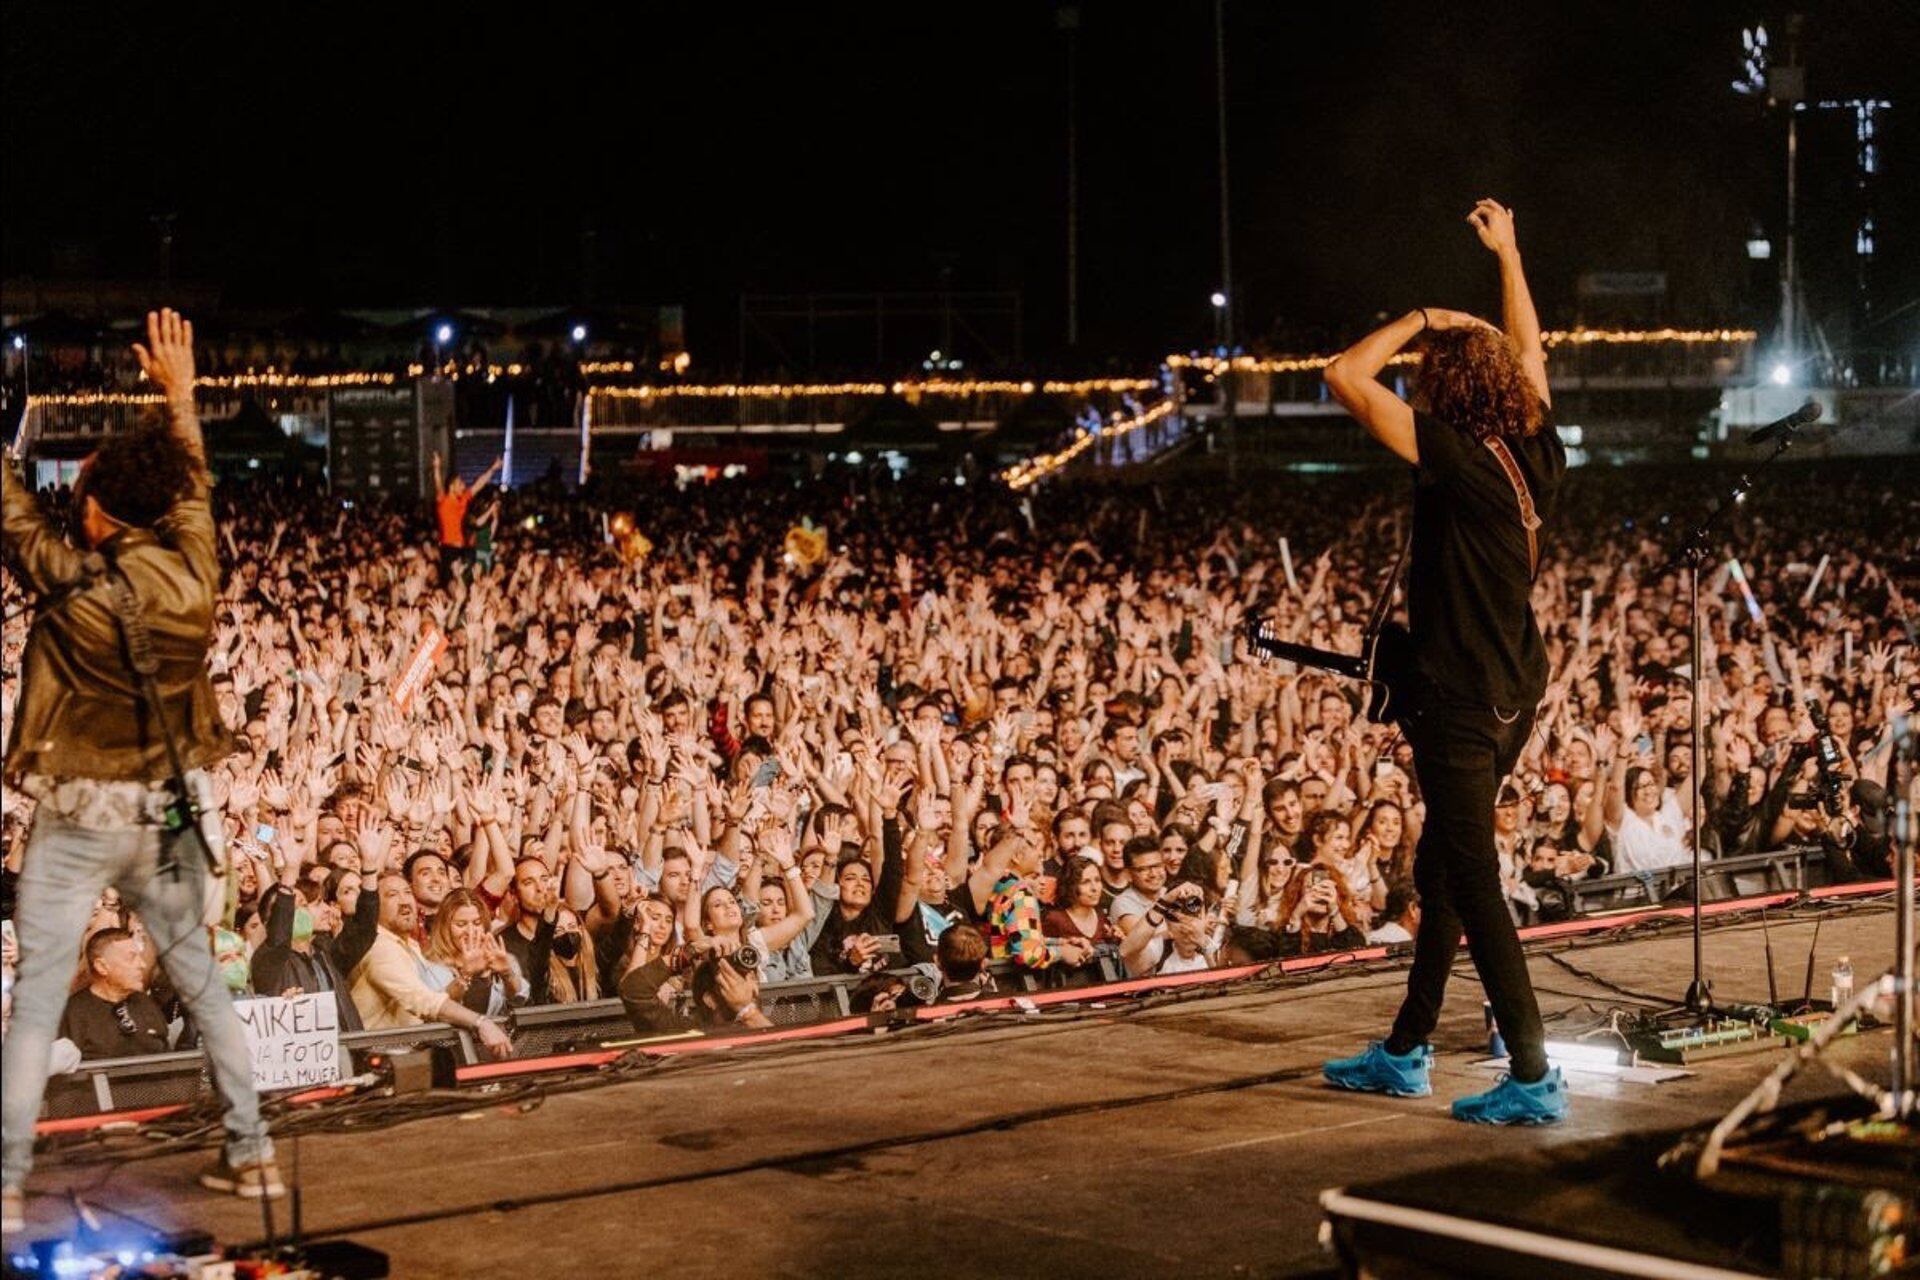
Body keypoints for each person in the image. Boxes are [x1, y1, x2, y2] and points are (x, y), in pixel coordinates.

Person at [1, 310, 282, 1225]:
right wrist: (181, 395)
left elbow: (8, 510)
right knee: (198, 975)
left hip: (82, 812)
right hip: (162, 812)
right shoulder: (195, 569)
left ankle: (3, 1186)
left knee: (40, 992)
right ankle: (253, 1156)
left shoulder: (72, 579)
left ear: (94, 507)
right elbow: (194, 485)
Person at [1319, 202, 1569, 1124]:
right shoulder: (1535, 451)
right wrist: (1511, 255)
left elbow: (1342, 374)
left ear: (1445, 391)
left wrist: (1428, 318)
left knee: (1469, 877)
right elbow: (1531, 357)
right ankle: (1405, 1050)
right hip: (1511, 691)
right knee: (1440, 868)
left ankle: (1534, 1077)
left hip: (1462, 702)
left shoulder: (1455, 459)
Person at [58, 927, 171, 1059]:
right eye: (131, 958)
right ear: (102, 967)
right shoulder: (73, 1013)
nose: (142, 965)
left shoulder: (145, 1003)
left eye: (140, 957)